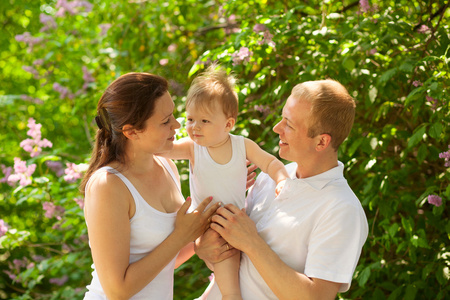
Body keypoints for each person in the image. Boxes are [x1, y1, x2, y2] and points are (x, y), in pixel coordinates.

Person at [195, 79, 369, 299]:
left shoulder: (342, 209)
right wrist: (202, 247)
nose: (277, 128)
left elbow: (317, 297)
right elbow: (229, 254)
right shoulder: (270, 178)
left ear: (321, 142)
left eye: (289, 124)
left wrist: (252, 243)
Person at [79, 72, 220, 299]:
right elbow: (117, 290)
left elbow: (163, 262)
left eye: (173, 114)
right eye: (165, 121)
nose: (176, 124)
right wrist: (183, 236)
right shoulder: (108, 185)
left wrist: (196, 242)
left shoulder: (167, 167)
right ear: (131, 132)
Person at [159, 65, 289, 300]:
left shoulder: (242, 146)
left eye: (205, 121)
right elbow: (163, 149)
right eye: (190, 119)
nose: (194, 127)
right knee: (224, 281)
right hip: (206, 225)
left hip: (230, 224)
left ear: (228, 124)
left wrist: (281, 180)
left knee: (232, 282)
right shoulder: (193, 148)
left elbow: (271, 163)